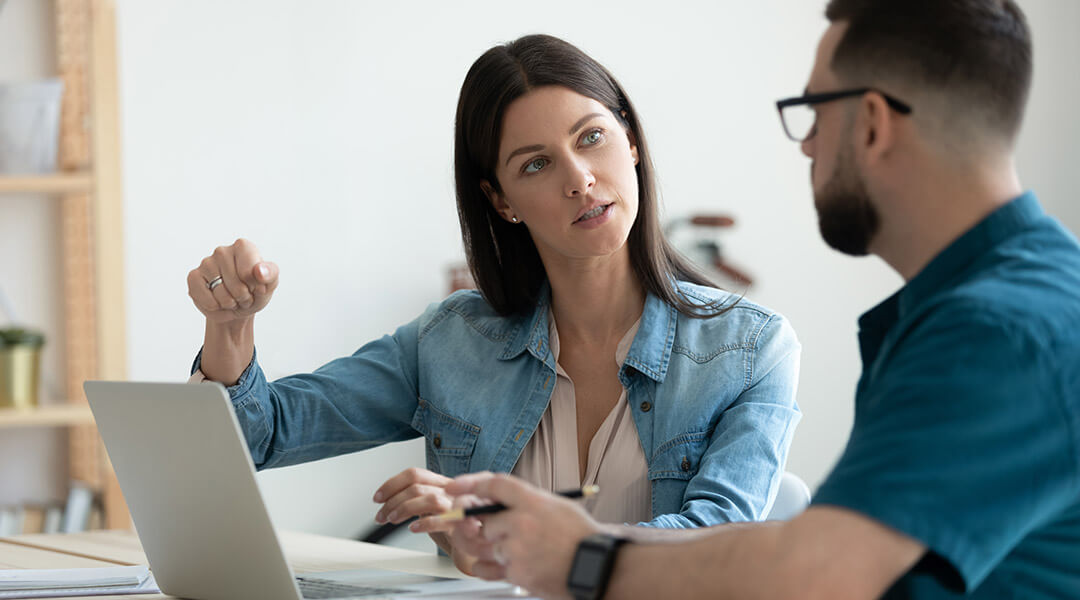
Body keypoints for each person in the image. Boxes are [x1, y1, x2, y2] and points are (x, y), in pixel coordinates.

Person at [439, 1, 1080, 598]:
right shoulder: (998, 306)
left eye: (816, 111)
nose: (805, 144)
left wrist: (581, 555)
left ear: (875, 124)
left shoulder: (1000, 330)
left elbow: (820, 571)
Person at [184, 34, 801, 573]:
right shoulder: (450, 342)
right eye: (535, 164)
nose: (579, 178)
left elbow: (715, 542)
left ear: (631, 141)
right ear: (501, 198)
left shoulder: (750, 350)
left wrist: (514, 539)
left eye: (592, 137)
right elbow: (257, 438)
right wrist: (230, 325)